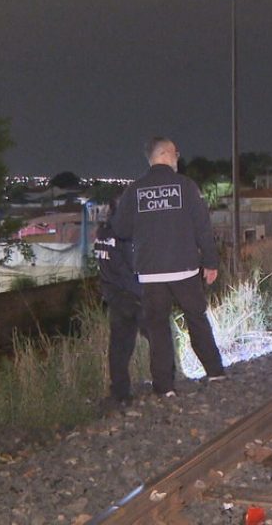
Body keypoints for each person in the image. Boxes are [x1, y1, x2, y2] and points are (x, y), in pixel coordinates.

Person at [112, 137, 226, 397]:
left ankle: (165, 387)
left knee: (158, 327)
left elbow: (120, 229)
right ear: (166, 154)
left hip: (151, 273)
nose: (178, 158)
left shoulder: (134, 190)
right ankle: (215, 371)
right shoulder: (186, 186)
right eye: (176, 153)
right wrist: (210, 262)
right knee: (196, 319)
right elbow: (203, 228)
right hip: (185, 269)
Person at [93, 195, 144, 408]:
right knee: (159, 336)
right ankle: (165, 383)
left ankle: (119, 392)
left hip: (114, 298)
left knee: (119, 347)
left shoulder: (102, 233)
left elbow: (105, 266)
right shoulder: (125, 235)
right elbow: (132, 267)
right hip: (134, 296)